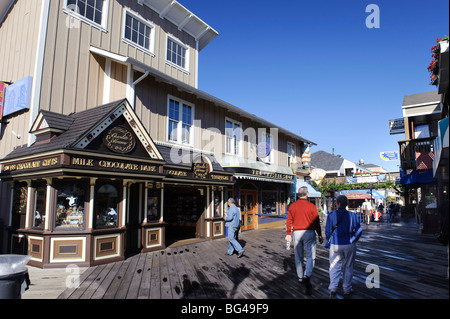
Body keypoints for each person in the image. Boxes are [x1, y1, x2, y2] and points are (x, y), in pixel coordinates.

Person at [285, 186, 323, 294]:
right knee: (311, 255)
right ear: (307, 194)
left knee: (298, 255)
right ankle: (307, 274)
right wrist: (319, 234)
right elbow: (316, 221)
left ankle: (300, 276)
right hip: (309, 232)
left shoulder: (292, 206)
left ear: (298, 194)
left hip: (297, 232)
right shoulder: (311, 206)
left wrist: (288, 233)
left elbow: (289, 220)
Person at [326, 195, 362, 298]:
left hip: (335, 244)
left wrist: (329, 240)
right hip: (349, 243)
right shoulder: (352, 215)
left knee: (334, 266)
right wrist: (354, 239)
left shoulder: (332, 215)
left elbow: (328, 231)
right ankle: (347, 289)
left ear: (337, 204)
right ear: (346, 204)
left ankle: (333, 288)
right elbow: (359, 230)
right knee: (348, 266)